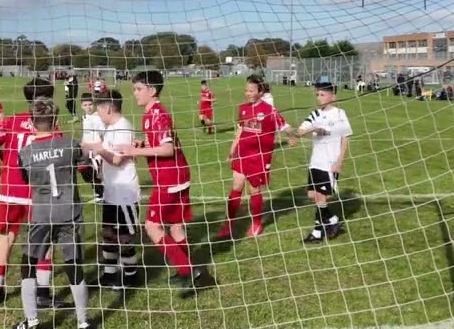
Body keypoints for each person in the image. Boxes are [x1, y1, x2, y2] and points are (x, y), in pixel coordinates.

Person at [117, 70, 214, 295]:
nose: (135, 94)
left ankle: (189, 269)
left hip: (169, 178)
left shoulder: (157, 115)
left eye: (138, 89)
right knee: (176, 226)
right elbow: (161, 142)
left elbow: (167, 149)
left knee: (151, 226)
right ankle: (189, 273)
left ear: (152, 90)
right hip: (179, 175)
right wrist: (142, 144)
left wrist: (133, 151)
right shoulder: (152, 114)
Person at [14, 97, 94, 329]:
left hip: (42, 214)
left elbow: (26, 179)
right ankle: (84, 322)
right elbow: (86, 169)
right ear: (56, 120)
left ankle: (31, 321)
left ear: (31, 122)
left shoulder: (24, 153)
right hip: (69, 212)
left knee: (28, 263)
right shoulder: (71, 144)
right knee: (74, 264)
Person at [0, 78, 61, 308]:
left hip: (10, 191)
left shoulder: (12, 121)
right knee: (45, 241)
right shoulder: (50, 124)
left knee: (6, 238)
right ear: (45, 99)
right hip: (37, 192)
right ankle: (43, 292)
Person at [83, 90, 140, 290]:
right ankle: (109, 275)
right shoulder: (111, 128)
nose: (97, 113)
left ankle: (131, 277)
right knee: (108, 233)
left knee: (124, 236)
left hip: (125, 193)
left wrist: (98, 149)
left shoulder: (123, 128)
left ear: (108, 107)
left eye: (98, 109)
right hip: (111, 192)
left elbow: (117, 159)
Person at [218, 75, 280, 239]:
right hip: (242, 153)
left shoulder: (269, 110)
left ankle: (257, 223)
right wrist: (232, 149)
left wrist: (294, 135)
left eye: (251, 90)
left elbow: (280, 126)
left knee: (254, 190)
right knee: (236, 185)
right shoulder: (243, 108)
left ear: (260, 91)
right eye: (246, 90)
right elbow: (240, 130)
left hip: (258, 156)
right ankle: (228, 223)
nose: (247, 93)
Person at [292, 82, 353, 244]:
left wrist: (339, 162)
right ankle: (333, 221)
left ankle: (317, 233)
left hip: (329, 163)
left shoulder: (340, 114)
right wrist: (313, 129)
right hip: (315, 162)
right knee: (313, 195)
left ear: (333, 96)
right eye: (318, 94)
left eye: (323, 94)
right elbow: (298, 132)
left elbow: (345, 139)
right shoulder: (315, 115)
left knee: (321, 197)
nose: (319, 98)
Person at [79, 93, 105, 202]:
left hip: (96, 150)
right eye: (85, 105)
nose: (88, 107)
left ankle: (101, 194)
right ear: (81, 106)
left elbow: (103, 133)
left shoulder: (97, 118)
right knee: (86, 170)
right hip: (87, 150)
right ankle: (99, 192)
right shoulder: (85, 117)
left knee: (95, 172)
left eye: (90, 104)